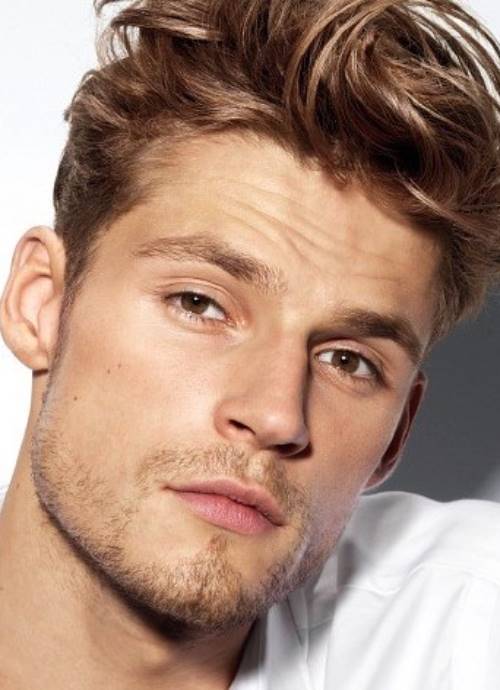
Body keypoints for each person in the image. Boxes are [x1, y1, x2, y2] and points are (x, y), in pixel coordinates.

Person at [1, 0, 499, 687]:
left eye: (349, 361)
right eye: (199, 304)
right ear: (42, 307)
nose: (275, 416)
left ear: (396, 437)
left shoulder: (464, 623)